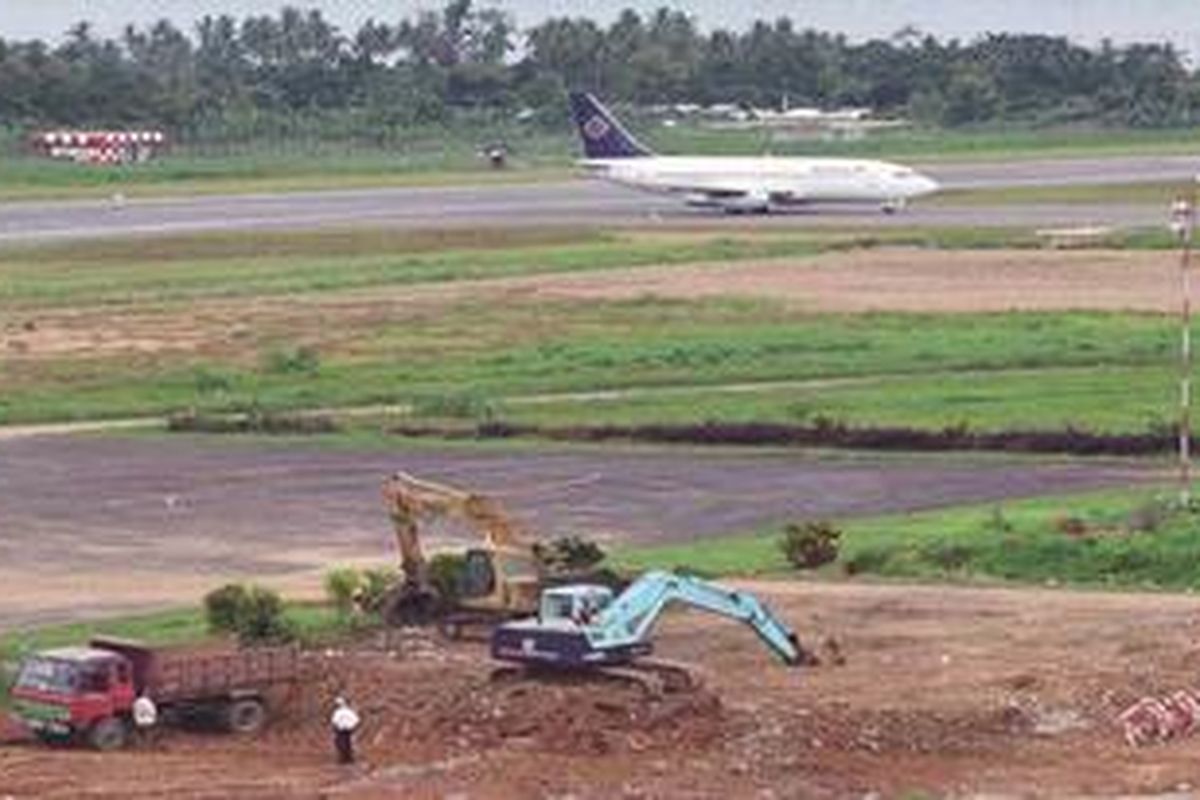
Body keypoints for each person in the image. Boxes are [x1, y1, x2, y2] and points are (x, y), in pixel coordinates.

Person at [330, 696, 360, 765]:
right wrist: (352, 726)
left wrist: (336, 727)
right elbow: (356, 720)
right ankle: (349, 757)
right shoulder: (350, 711)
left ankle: (343, 757)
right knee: (348, 742)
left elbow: (334, 721)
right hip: (349, 729)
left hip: (340, 729)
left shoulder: (338, 712)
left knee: (340, 742)